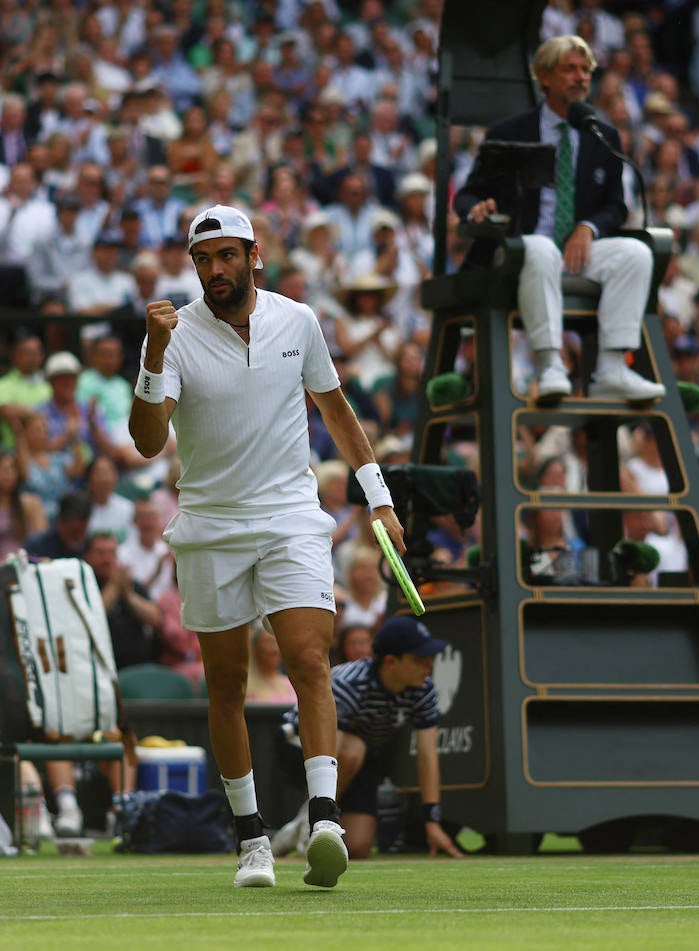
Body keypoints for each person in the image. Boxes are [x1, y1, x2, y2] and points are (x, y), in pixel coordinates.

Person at [128, 203, 407, 888]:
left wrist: (380, 498)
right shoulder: (174, 336)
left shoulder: (299, 320)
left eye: (226, 255)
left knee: (310, 658)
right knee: (226, 684)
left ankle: (323, 818)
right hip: (211, 521)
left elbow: (336, 410)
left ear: (255, 255)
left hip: (289, 513)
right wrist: (154, 353)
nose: (214, 270)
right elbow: (143, 440)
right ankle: (252, 838)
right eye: (202, 259)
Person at [453, 36, 665, 403]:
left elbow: (617, 207)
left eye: (585, 70)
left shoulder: (604, 134)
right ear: (544, 76)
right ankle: (551, 363)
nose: (580, 77)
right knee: (539, 249)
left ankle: (612, 368)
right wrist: (477, 209)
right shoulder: (509, 132)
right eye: (570, 68)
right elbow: (468, 194)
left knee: (636, 254)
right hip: (519, 251)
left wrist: (588, 227)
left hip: (576, 252)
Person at [270, 616, 463, 862]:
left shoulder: (423, 689)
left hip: (357, 756)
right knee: (352, 748)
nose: (428, 666)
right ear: (391, 662)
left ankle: (298, 826)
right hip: (298, 743)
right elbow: (323, 734)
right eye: (419, 659)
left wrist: (432, 822)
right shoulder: (351, 683)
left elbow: (427, 756)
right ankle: (314, 822)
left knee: (357, 847)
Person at [84, 529, 161, 670]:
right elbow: (91, 619)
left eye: (112, 553)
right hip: (102, 667)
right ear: (88, 556)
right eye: (101, 553)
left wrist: (128, 596)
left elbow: (155, 618)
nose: (107, 559)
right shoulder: (84, 585)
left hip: (141, 665)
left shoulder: (129, 583)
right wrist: (113, 587)